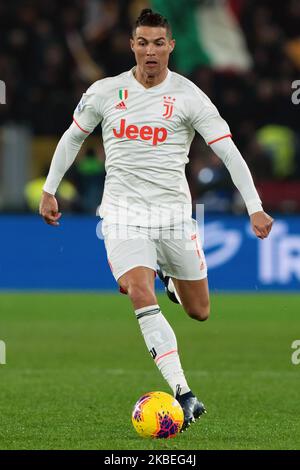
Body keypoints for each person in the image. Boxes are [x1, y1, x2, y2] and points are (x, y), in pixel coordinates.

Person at [39, 9, 274, 431]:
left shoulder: (190, 97)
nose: (150, 51)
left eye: (158, 43)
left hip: (174, 218)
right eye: (142, 42)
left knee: (199, 311)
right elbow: (73, 137)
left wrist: (254, 205)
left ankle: (170, 282)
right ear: (132, 45)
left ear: (170, 46)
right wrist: (50, 188)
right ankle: (184, 392)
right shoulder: (105, 92)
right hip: (122, 214)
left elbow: (228, 152)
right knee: (136, 289)